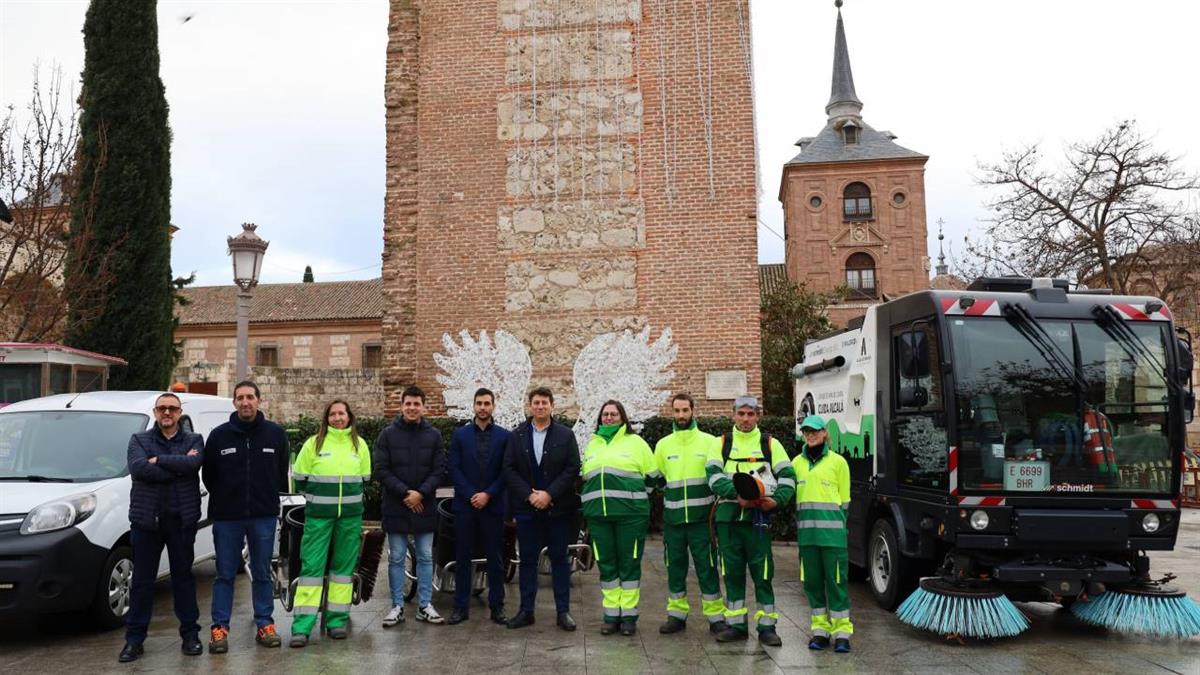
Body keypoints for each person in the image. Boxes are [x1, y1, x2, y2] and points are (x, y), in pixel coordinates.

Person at [202, 380, 290, 652]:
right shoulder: (219, 436)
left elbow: (280, 472)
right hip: (227, 517)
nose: (245, 402)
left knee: (263, 572)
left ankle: (264, 624)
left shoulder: (275, 435)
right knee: (225, 574)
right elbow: (209, 475)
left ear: (259, 400)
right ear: (234, 403)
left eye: (250, 397)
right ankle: (219, 628)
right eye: (240, 398)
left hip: (263, 516)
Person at [119, 393, 204, 663]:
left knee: (183, 579)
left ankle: (190, 635)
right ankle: (134, 641)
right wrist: (178, 466)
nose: (167, 413)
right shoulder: (139, 440)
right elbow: (139, 469)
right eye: (162, 408)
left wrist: (160, 461)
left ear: (180, 413)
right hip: (147, 522)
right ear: (155, 412)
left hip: (182, 522)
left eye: (172, 409)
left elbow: (193, 465)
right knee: (142, 583)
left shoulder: (194, 440)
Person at [705, 395, 796, 647]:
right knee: (731, 573)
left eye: (751, 414)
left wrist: (777, 500)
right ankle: (736, 625)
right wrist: (738, 495)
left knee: (763, 573)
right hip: (729, 520)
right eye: (741, 414)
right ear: (733, 414)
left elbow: (788, 476)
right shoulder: (721, 443)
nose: (746, 419)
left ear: (758, 416)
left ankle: (767, 627)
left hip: (758, 521)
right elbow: (712, 476)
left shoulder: (770, 444)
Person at [288, 399, 372, 647]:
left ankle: (337, 621)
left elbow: (365, 478)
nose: (337, 418)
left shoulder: (360, 445)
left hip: (350, 518)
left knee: (343, 573)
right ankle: (302, 627)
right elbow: (299, 478)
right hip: (318, 518)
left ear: (349, 417)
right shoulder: (313, 444)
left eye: (341, 413)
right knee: (311, 570)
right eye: (333, 414)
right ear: (326, 418)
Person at [502, 387, 580, 631]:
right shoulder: (516, 436)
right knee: (527, 561)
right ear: (530, 406)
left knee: (559, 560)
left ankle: (563, 612)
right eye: (536, 403)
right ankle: (526, 611)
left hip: (557, 510)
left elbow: (572, 468)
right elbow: (509, 469)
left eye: (544, 403)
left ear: (552, 406)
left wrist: (549, 494)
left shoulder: (566, 435)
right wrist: (529, 495)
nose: (540, 407)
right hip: (527, 511)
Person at [581, 400, 659, 636]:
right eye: (605, 414)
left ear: (622, 417)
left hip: (631, 517)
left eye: (614, 414)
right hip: (599, 516)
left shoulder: (636, 443)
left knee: (629, 564)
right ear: (600, 418)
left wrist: (635, 501)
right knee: (607, 565)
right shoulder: (592, 445)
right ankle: (611, 615)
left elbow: (653, 477)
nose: (609, 418)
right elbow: (586, 478)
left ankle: (629, 617)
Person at [653, 393, 727, 635]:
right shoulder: (663, 445)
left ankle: (716, 617)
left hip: (701, 521)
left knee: (707, 567)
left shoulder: (710, 442)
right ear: (672, 412)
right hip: (673, 521)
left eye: (685, 410)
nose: (681, 415)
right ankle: (676, 615)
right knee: (675, 568)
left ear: (693, 411)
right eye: (677, 411)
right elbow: (658, 479)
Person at [374, 385, 446, 626]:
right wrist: (406, 494)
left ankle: (425, 605)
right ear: (401, 405)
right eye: (408, 403)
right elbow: (381, 470)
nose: (412, 408)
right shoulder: (387, 435)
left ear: (423, 406)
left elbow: (439, 471)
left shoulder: (434, 435)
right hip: (396, 506)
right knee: (396, 558)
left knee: (426, 557)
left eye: (417, 404)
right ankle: (397, 606)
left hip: (424, 506)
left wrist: (421, 494)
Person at [446, 388, 512, 625]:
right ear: (473, 406)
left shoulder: (505, 437)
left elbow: (507, 471)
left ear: (493, 406)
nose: (483, 407)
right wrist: (472, 494)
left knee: (495, 558)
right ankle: (460, 607)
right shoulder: (460, 435)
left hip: (493, 507)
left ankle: (497, 606)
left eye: (487, 403)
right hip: (465, 506)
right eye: (479, 403)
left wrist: (488, 494)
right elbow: (453, 468)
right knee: (462, 557)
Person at [794, 415, 853, 653]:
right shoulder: (795, 463)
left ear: (825, 433)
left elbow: (846, 502)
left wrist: (836, 529)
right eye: (807, 431)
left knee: (837, 584)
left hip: (833, 539)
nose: (811, 434)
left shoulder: (839, 463)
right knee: (813, 584)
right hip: (807, 538)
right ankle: (820, 630)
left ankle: (842, 633)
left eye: (815, 431)